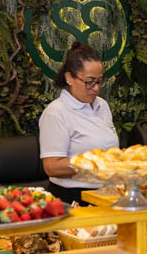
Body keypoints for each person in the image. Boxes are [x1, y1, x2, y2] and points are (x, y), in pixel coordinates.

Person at [38, 42, 119, 205]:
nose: (95, 88)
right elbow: (52, 166)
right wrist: (94, 163)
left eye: (99, 81)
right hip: (73, 198)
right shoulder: (56, 112)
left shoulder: (102, 105)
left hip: (107, 194)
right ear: (69, 78)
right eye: (89, 82)